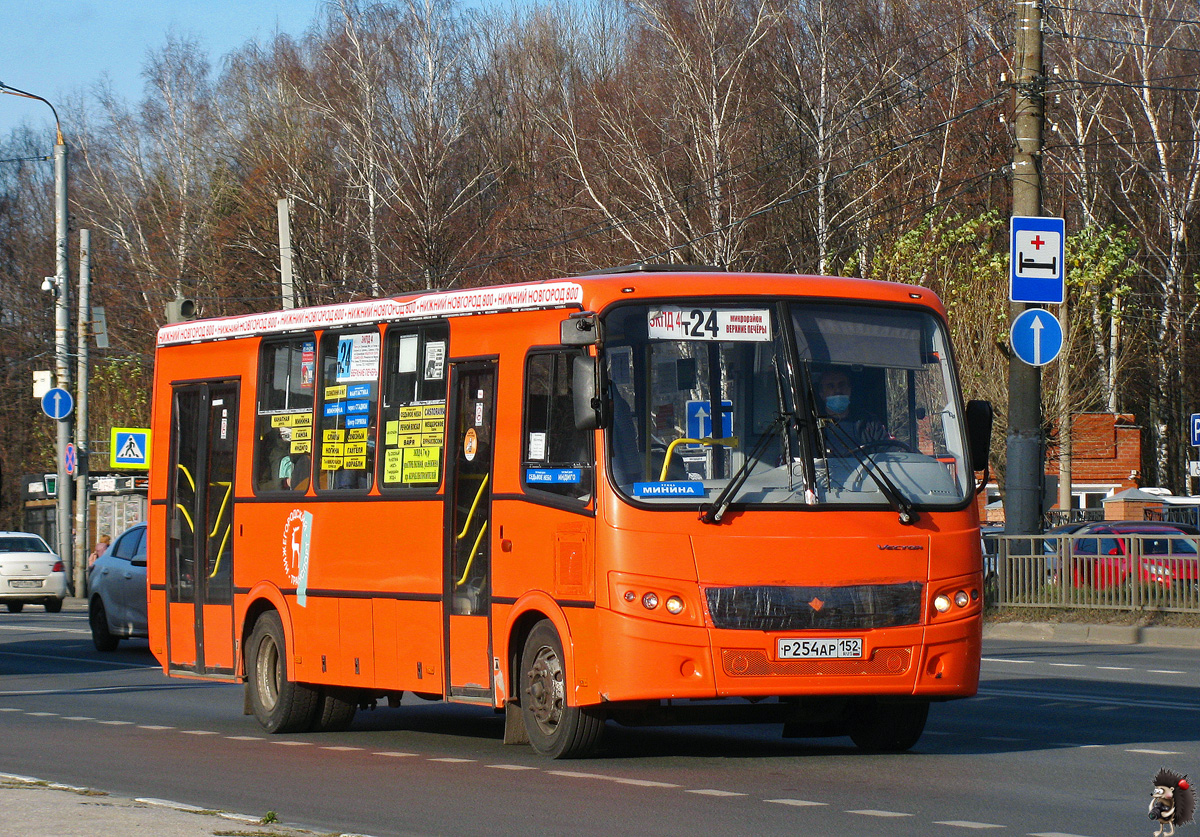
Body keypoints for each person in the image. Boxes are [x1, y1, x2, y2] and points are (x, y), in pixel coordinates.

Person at [815, 368, 894, 455]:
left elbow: (890, 451)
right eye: (831, 386)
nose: (837, 390)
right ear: (821, 394)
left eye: (842, 385)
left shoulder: (869, 423)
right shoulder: (813, 426)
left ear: (850, 389)